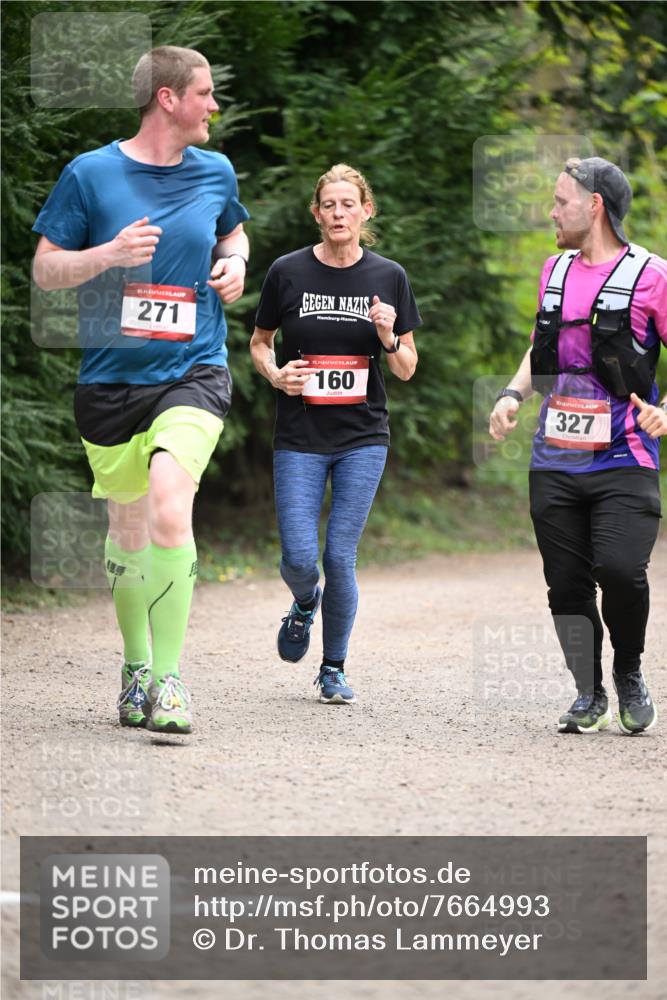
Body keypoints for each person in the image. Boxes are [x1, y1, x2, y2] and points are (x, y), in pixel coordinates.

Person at [32, 46, 250, 734]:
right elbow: (45, 271)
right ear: (168, 99)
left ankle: (170, 680)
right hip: (110, 381)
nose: (214, 106)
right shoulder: (90, 175)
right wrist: (106, 256)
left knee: (167, 505)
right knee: (128, 532)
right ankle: (134, 666)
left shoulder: (214, 170)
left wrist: (235, 265)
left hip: (194, 369)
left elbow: (233, 233)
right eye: (205, 93)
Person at [489, 156, 667, 735]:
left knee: (619, 569)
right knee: (565, 584)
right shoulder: (554, 270)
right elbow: (539, 348)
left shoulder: (651, 276)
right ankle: (588, 693)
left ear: (594, 206)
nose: (551, 212)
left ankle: (630, 672)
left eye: (560, 201)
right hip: (555, 457)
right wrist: (512, 395)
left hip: (626, 455)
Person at [250, 164, 421, 704]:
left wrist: (389, 337)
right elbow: (259, 341)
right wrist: (277, 373)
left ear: (365, 211)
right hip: (299, 434)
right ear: (317, 213)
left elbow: (407, 368)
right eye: (330, 205)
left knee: (339, 555)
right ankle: (304, 603)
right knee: (300, 559)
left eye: (350, 204)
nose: (339, 213)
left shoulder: (388, 276)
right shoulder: (287, 271)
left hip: (363, 436)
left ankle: (333, 667)